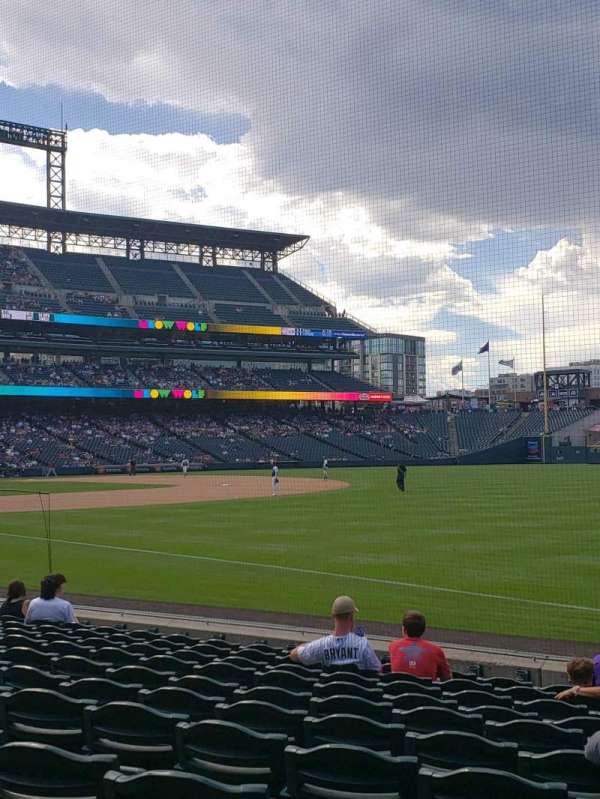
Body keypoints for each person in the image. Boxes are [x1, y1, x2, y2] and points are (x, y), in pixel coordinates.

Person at [289, 595, 381, 672]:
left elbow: (293, 655)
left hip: (329, 693)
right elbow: (377, 670)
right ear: (351, 616)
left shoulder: (322, 644)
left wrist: (307, 645)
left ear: (333, 616)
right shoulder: (363, 644)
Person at [388, 610, 452, 680]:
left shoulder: (393, 645)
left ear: (404, 629)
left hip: (399, 690)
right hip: (425, 690)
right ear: (423, 630)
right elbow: (447, 677)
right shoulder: (436, 650)